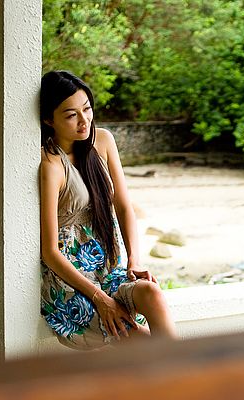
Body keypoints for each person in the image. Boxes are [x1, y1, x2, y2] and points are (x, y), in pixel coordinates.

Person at [38, 70, 177, 349]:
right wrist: (101, 299)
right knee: (139, 340)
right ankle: (192, 382)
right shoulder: (52, 164)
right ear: (48, 120)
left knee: (152, 293)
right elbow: (50, 252)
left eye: (87, 109)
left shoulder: (103, 141)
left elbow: (124, 206)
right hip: (72, 283)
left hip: (109, 268)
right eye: (70, 115)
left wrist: (134, 261)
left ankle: (184, 379)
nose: (84, 120)